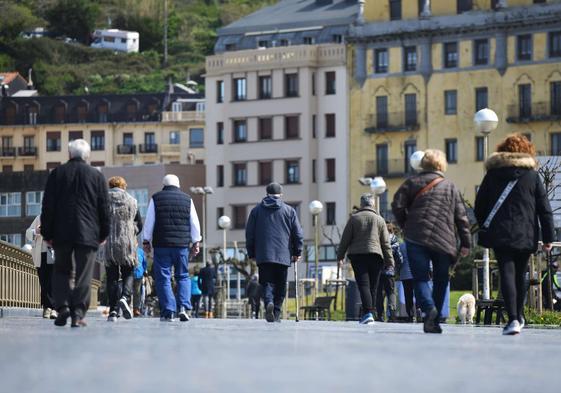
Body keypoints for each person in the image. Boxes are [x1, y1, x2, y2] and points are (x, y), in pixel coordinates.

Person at [474, 134, 554, 335]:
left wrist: (485, 223)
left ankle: (513, 320)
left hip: (500, 233)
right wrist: (548, 238)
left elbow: (479, 205)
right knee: (521, 274)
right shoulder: (533, 177)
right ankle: (518, 316)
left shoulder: (492, 175)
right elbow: (544, 209)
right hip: (526, 234)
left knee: (507, 273)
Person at [392, 149, 471, 333]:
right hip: (444, 240)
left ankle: (429, 310)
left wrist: (405, 225)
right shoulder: (450, 186)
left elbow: (397, 205)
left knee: (420, 278)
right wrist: (466, 243)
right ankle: (433, 319)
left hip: (416, 238)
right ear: (442, 165)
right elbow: (462, 217)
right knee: (440, 279)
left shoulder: (411, 183)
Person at [40, 139, 110, 327]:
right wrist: (104, 233)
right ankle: (78, 313)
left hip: (61, 232)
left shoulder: (57, 174)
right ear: (87, 156)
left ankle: (62, 308)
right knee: (84, 274)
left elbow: (48, 206)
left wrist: (47, 233)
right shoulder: (96, 176)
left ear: (69, 155)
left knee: (61, 271)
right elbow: (104, 207)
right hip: (88, 234)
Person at [143, 174, 201, 322]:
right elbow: (194, 222)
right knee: (182, 276)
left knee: (163, 278)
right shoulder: (187, 199)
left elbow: (150, 221)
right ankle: (183, 308)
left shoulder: (156, 198)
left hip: (161, 244)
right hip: (181, 245)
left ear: (163, 184)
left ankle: (168, 310)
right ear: (178, 184)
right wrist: (196, 242)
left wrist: (146, 240)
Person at [245, 182, 303, 323]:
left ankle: (269, 302)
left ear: (266, 194)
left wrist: (251, 253)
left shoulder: (256, 211)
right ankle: (276, 312)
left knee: (266, 283)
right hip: (283, 255)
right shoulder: (289, 211)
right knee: (281, 285)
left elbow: (249, 234)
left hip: (264, 255)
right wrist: (297, 251)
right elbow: (298, 233)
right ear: (281, 195)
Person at [337, 193, 394, 325]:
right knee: (373, 287)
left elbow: (345, 240)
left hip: (358, 256)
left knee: (363, 285)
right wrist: (390, 261)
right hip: (376, 256)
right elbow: (386, 243)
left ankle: (368, 313)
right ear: (373, 204)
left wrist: (340, 256)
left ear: (362, 204)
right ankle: (370, 313)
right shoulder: (379, 220)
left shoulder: (354, 219)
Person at [104, 176, 141, 322]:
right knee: (129, 271)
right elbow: (140, 224)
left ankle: (113, 311)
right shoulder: (132, 200)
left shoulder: (103, 200)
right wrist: (132, 232)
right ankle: (125, 297)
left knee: (112, 277)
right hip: (128, 243)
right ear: (124, 186)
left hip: (110, 244)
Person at [26, 215, 57, 319]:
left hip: (54, 252)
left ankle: (53, 308)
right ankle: (47, 307)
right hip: (40, 253)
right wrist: (36, 231)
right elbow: (28, 233)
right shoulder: (40, 217)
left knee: (53, 281)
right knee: (43, 282)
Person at [376, 223, 398, 322]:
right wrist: (397, 267)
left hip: (379, 271)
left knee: (379, 293)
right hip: (390, 271)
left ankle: (380, 315)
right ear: (392, 230)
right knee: (391, 293)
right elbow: (399, 256)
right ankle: (392, 314)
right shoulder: (394, 240)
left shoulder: (378, 238)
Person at [133, 244, 148, 317]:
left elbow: (144, 263)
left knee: (137, 292)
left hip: (138, 274)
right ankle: (129, 308)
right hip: (129, 273)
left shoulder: (141, 251)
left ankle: (136, 309)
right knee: (130, 291)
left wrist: (145, 271)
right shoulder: (129, 249)